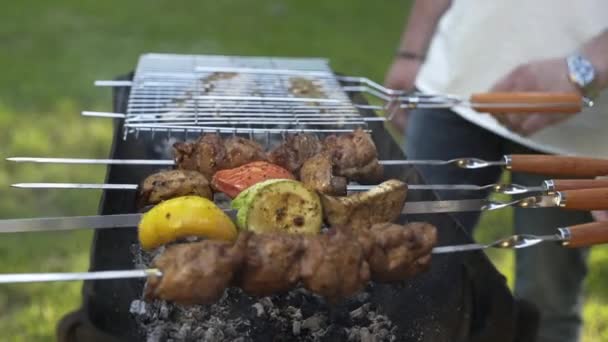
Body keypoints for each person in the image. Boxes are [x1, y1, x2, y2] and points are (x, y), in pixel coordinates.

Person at [384, 1, 608, 341]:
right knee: (405, 272)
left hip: (579, 128)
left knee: (545, 305)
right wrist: (411, 52)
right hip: (451, 87)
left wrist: (586, 67)